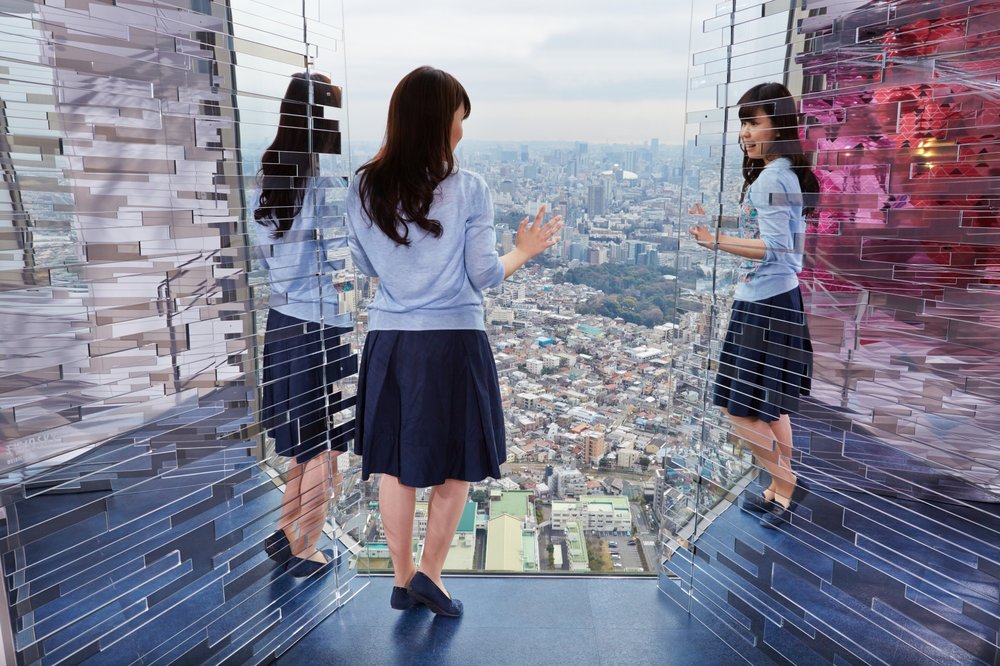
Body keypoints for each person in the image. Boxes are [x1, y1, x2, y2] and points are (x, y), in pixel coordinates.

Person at [346, 66, 561, 616]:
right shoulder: (469, 189)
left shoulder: (363, 184)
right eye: (460, 117)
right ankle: (431, 576)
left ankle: (401, 580)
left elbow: (366, 264)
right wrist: (526, 250)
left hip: (391, 340)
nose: (463, 129)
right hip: (455, 340)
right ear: (443, 121)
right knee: (454, 462)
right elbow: (485, 275)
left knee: (395, 462)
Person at [689, 82, 817, 529]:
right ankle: (779, 492)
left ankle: (787, 481)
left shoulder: (771, 178)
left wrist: (713, 241)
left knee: (735, 409)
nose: (745, 133)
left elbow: (775, 246)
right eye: (743, 123)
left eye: (754, 122)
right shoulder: (784, 174)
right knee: (771, 407)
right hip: (780, 298)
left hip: (763, 304)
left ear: (778, 127)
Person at [255, 71, 351, 576]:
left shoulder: (268, 172)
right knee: (326, 446)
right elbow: (341, 264)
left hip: (281, 322)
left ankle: (285, 528)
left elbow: (264, 255)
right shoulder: (326, 182)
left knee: (302, 441)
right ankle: (306, 545)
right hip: (320, 328)